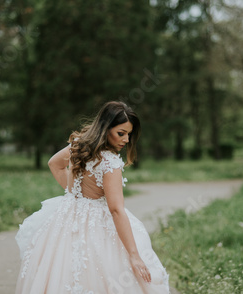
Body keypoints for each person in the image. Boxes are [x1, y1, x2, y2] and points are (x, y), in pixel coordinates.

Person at [15, 101, 170, 294]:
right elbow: (115, 209)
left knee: (61, 273)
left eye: (129, 134)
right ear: (105, 129)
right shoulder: (110, 162)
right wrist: (134, 255)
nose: (126, 140)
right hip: (98, 224)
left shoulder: (79, 146)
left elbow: (54, 163)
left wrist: (76, 194)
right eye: (121, 133)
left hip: (67, 217)